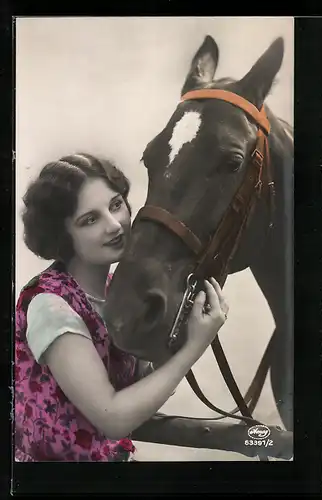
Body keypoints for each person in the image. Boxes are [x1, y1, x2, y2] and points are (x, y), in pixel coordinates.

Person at [15, 152, 229, 462]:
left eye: (116, 205)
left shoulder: (117, 288)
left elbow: (141, 387)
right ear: (62, 236)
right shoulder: (50, 304)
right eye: (90, 220)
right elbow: (113, 418)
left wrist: (188, 329)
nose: (115, 225)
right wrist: (193, 348)